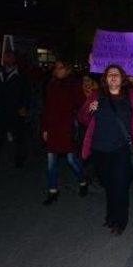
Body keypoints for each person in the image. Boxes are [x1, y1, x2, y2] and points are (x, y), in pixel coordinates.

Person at [78, 65, 133, 235]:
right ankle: (110, 215)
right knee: (108, 185)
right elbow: (82, 118)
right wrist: (88, 110)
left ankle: (120, 220)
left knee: (120, 186)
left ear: (123, 78)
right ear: (105, 79)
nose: (113, 77)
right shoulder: (96, 96)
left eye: (117, 74)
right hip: (99, 150)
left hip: (122, 150)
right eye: (110, 75)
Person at [41, 60, 88, 205]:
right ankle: (52, 191)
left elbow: (82, 104)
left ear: (67, 70)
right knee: (51, 161)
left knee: (71, 159)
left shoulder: (73, 84)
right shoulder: (51, 84)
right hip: (53, 128)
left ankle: (82, 181)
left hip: (67, 128)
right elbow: (47, 107)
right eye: (56, 68)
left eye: (61, 67)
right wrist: (44, 128)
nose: (57, 70)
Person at [0, 51, 30, 169]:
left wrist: (24, 107)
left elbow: (26, 93)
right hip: (0, 111)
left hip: (15, 111)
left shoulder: (20, 76)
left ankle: (20, 161)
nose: (7, 60)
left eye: (9, 57)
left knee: (19, 137)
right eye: (5, 58)